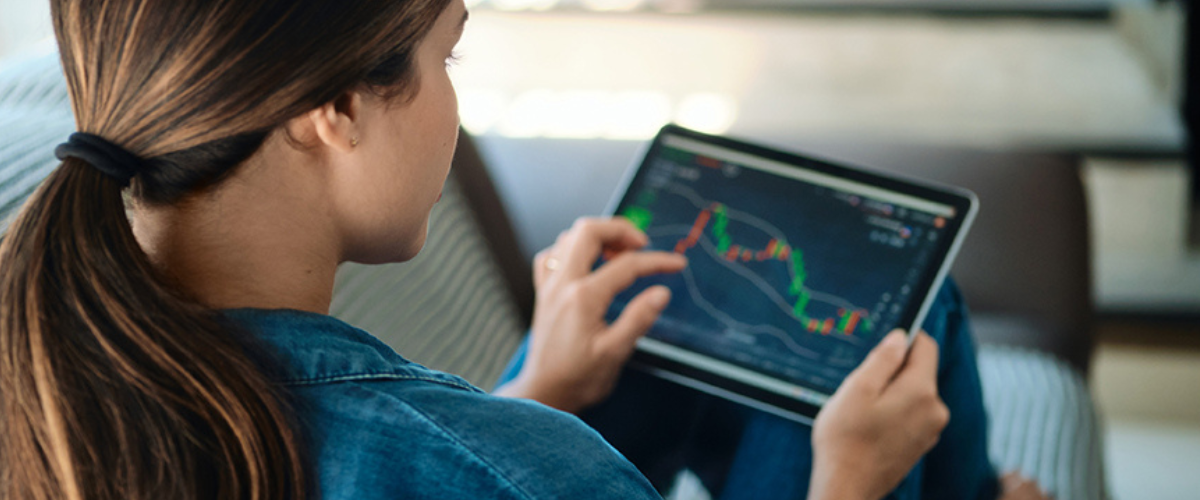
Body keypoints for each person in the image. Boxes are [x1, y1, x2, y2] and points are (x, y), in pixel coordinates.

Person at [0, 0, 1046, 499]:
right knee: (899, 317)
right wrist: (849, 480)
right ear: (333, 109)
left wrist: (530, 385)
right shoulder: (527, 473)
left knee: (705, 332)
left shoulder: (41, 368)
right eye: (448, 49)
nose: (456, 102)